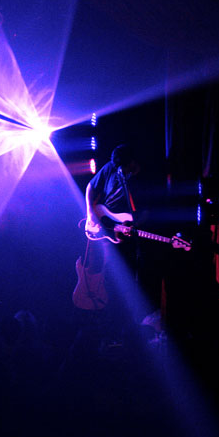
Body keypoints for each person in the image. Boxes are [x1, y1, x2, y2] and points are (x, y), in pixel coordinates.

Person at [79, 144, 147, 344]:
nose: (119, 171)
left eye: (123, 168)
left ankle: (130, 330)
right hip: (106, 228)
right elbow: (91, 187)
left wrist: (134, 224)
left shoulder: (142, 178)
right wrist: (91, 213)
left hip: (128, 235)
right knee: (107, 278)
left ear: (132, 164)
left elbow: (148, 211)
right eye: (117, 167)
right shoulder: (111, 167)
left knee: (129, 280)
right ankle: (105, 328)